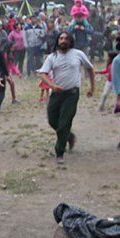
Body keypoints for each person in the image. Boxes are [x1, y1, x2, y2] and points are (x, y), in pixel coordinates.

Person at [38, 31, 95, 163]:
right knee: (53, 120)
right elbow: (43, 74)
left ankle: (59, 152)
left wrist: (92, 88)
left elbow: (90, 69)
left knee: (64, 123)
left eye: (66, 38)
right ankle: (69, 137)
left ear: (70, 41)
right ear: (58, 41)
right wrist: (52, 86)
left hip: (72, 94)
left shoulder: (78, 54)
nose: (63, 40)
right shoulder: (52, 57)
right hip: (56, 93)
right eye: (61, 38)